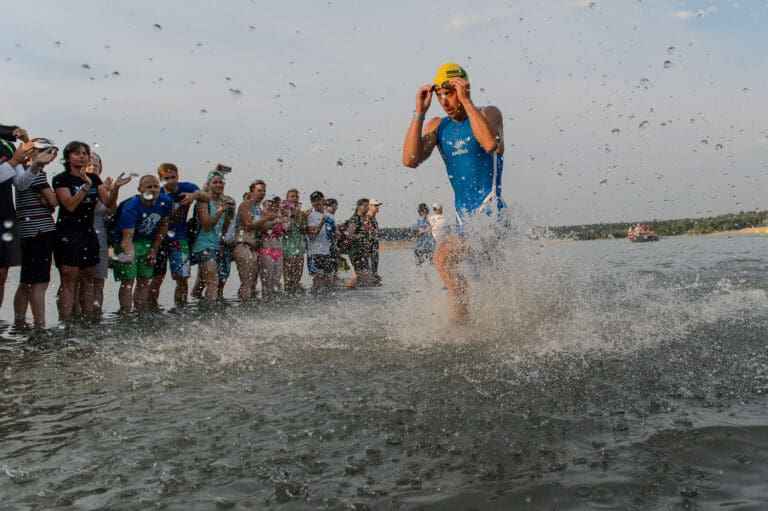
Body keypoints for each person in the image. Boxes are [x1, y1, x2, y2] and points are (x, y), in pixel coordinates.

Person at [402, 62, 505, 322]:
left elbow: (490, 143)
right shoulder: (439, 126)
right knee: (490, 278)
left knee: (443, 256)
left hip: (490, 214)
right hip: (464, 222)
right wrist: (419, 114)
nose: (445, 101)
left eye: (450, 93)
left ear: (464, 89)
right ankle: (486, 324)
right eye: (441, 95)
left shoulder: (489, 113)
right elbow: (410, 159)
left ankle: (461, 322)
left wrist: (467, 103)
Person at [53, 141, 130, 321]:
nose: (81, 156)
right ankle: (66, 320)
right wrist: (85, 187)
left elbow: (109, 203)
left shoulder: (95, 179)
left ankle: (88, 320)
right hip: (68, 234)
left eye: (84, 153)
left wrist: (116, 188)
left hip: (89, 234)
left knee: (89, 278)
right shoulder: (61, 179)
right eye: (76, 153)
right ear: (68, 157)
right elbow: (69, 205)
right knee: (69, 279)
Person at [11, 138, 60, 328]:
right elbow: (54, 202)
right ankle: (40, 326)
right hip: (40, 231)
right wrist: (49, 202)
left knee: (27, 281)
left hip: (27, 230)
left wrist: (48, 202)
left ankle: (19, 322)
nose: (50, 155)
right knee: (39, 282)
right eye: (46, 151)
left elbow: (49, 203)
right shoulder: (36, 174)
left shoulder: (24, 172)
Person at [0, 125, 48, 311]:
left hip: (5, 215)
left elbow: (20, 183)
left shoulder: (7, 145)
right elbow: (12, 165)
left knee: (2, 273)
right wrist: (14, 162)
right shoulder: (13, 155)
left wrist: (35, 165)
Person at [150, 163, 209, 308]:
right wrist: (183, 206)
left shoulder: (187, 187)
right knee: (157, 278)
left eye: (173, 177)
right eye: (166, 178)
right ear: (160, 179)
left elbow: (206, 196)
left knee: (182, 278)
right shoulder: (159, 195)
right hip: (160, 239)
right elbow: (170, 219)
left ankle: (181, 309)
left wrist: (193, 195)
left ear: (178, 176)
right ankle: (151, 309)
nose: (170, 181)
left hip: (180, 239)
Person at [113, 175, 172, 312]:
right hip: (124, 244)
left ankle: (141, 313)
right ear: (140, 189)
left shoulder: (166, 201)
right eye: (149, 187)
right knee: (128, 281)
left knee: (145, 279)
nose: (153, 189)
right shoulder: (131, 206)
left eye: (156, 186)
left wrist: (154, 250)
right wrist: (129, 253)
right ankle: (126, 314)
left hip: (147, 242)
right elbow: (126, 237)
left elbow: (164, 225)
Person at [191, 170, 232, 303]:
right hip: (203, 245)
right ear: (208, 185)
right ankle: (210, 315)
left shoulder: (223, 202)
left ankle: (195, 307)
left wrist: (222, 245)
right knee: (213, 280)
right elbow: (207, 225)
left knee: (201, 284)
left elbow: (221, 229)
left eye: (221, 182)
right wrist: (220, 212)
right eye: (215, 182)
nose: (219, 184)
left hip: (215, 245)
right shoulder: (203, 201)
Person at [231, 179, 267, 300]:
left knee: (252, 282)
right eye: (259, 190)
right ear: (251, 192)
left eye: (264, 191)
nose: (262, 193)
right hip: (242, 245)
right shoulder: (246, 204)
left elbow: (261, 228)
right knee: (247, 280)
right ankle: (244, 307)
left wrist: (276, 221)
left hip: (253, 247)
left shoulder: (259, 209)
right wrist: (267, 219)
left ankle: (250, 308)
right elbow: (248, 224)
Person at [305, 191, 337, 290]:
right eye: (314, 201)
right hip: (315, 253)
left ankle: (327, 305)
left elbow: (333, 235)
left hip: (328, 253)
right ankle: (316, 304)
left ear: (323, 200)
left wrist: (336, 234)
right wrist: (322, 222)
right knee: (317, 283)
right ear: (312, 203)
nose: (317, 202)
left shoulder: (330, 215)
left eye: (319, 199)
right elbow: (311, 236)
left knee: (329, 282)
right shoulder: (310, 216)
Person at [258, 194, 285, 301]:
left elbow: (284, 231)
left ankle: (275, 307)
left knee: (277, 282)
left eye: (274, 202)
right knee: (267, 283)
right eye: (269, 201)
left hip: (278, 251)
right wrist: (274, 221)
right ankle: (265, 304)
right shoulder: (261, 215)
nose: (271, 204)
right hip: (266, 250)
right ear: (263, 203)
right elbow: (263, 228)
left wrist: (285, 222)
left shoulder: (278, 216)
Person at [281, 188, 306, 295]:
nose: (295, 198)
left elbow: (304, 230)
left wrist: (303, 217)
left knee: (297, 278)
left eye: (296, 196)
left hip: (299, 248)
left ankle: (295, 301)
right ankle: (287, 298)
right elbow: (287, 230)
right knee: (288, 279)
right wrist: (294, 214)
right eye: (292, 196)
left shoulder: (302, 213)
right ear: (287, 199)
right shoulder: (283, 212)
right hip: (287, 249)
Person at [345, 198, 373, 288]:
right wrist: (361, 236)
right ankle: (355, 292)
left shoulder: (362, 219)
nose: (367, 208)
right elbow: (350, 235)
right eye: (365, 206)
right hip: (356, 251)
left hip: (362, 251)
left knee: (366, 276)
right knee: (362, 275)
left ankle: (361, 292)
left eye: (368, 206)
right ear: (358, 207)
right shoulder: (354, 219)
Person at [366, 198, 383, 285]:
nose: (378, 207)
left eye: (378, 205)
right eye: (375, 205)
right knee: (369, 267)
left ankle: (374, 279)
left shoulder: (374, 219)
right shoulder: (367, 218)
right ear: (370, 206)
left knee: (375, 267)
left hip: (375, 246)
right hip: (369, 247)